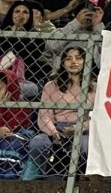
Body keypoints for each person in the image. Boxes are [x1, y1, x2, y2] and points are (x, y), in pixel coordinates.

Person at [29, 46, 94, 178]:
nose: (73, 62)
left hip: (83, 129)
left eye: (78, 58)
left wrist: (79, 128)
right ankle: (42, 178)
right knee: (38, 143)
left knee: (84, 146)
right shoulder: (51, 86)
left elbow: (97, 118)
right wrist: (54, 132)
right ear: (63, 63)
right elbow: (45, 115)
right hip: (57, 128)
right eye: (68, 59)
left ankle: (76, 179)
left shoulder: (95, 87)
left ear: (85, 61)